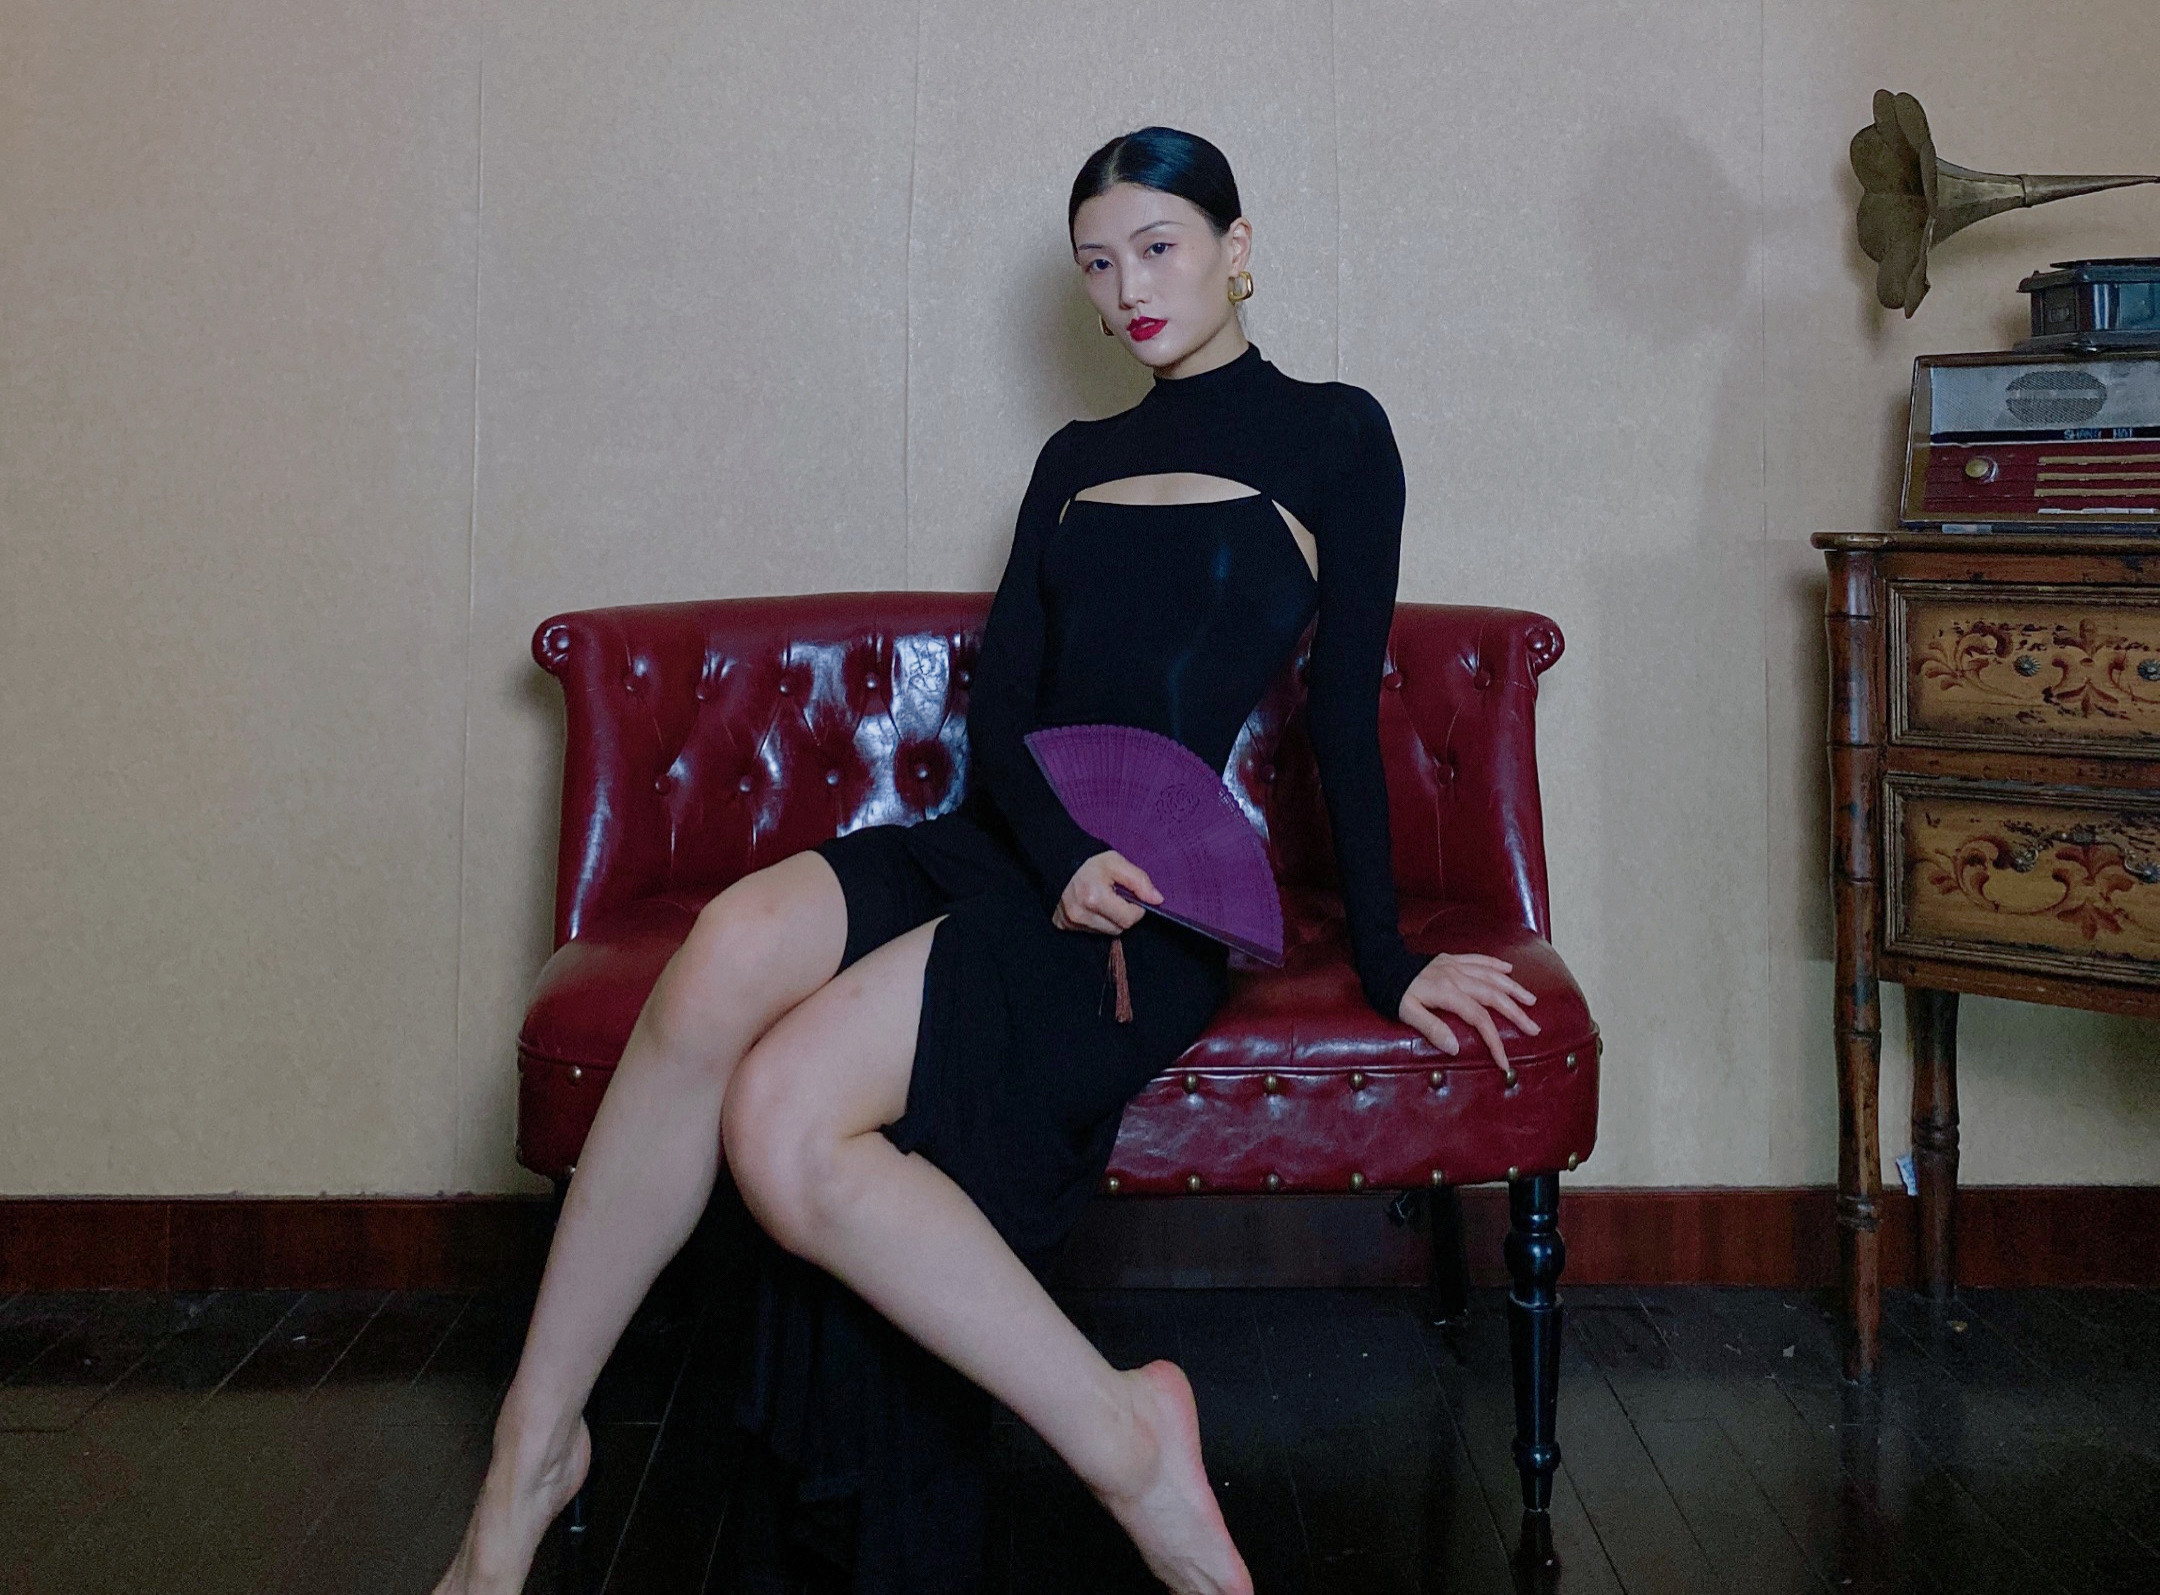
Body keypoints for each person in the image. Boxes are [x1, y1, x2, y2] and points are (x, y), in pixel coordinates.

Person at [432, 124, 1539, 1595]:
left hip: (1153, 896)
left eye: (1159, 248)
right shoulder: (1074, 460)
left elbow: (1344, 717)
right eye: (1099, 262)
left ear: (1237, 250)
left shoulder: (1336, 437)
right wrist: (1052, 844)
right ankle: (533, 1446)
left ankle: (1128, 1438)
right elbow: (1007, 705)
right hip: (1012, 837)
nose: (1129, 288)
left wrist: (1390, 962)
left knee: (785, 1116)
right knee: (723, 954)